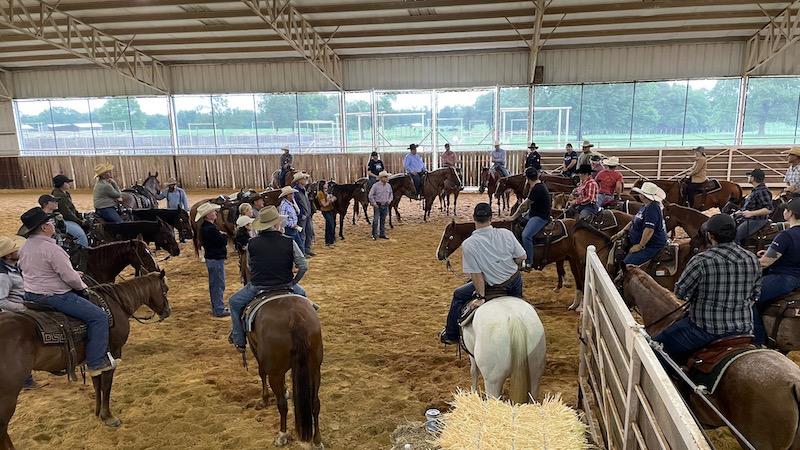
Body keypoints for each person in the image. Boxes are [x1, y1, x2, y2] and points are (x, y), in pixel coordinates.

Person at [17, 207, 116, 377]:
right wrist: (81, 286)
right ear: (44, 227)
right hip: (54, 296)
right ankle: (96, 361)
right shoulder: (53, 249)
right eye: (50, 222)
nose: (53, 225)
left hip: (30, 294)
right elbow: (69, 278)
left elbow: (30, 270)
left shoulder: (25, 247)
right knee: (98, 316)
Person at [652, 214, 762, 364]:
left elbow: (681, 293)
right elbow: (755, 294)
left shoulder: (701, 260)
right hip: (744, 329)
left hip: (705, 330)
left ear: (710, 236)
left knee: (654, 347)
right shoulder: (752, 258)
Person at [439, 203, 526, 345]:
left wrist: (480, 297)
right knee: (520, 301)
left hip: (492, 285)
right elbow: (522, 257)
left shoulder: (469, 244)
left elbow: (477, 274)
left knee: (458, 295)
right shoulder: (506, 233)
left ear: (474, 218)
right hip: (514, 281)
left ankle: (451, 335)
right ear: (491, 219)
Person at [227, 206, 308, 353]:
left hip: (259, 286)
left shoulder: (251, 243)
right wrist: (294, 282)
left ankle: (239, 339)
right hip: (286, 284)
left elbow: (249, 266)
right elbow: (303, 265)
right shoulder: (289, 242)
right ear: (276, 224)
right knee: (303, 297)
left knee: (234, 302)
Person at [0, 235, 46, 390]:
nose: (18, 249)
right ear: (8, 255)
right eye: (14, 248)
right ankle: (27, 380)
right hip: (14, 313)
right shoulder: (4, 276)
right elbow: (1, 301)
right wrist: (24, 309)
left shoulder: (13, 267)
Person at [753, 198, 800, 345]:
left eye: (785, 209)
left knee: (746, 295)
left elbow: (766, 262)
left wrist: (748, 262)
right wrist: (769, 253)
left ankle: (757, 339)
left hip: (785, 278)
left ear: (790, 213)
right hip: (797, 276)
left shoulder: (785, 235)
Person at [612, 182, 669, 265]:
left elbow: (649, 230)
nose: (639, 194)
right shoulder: (646, 206)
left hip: (651, 245)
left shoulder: (652, 209)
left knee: (627, 264)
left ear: (644, 196)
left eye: (640, 193)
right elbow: (634, 221)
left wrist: (640, 246)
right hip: (645, 243)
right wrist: (623, 231)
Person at [511, 167, 551, 271]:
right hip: (534, 214)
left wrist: (514, 216)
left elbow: (525, 205)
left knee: (526, 235)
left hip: (540, 217)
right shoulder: (539, 185)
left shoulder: (537, 188)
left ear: (527, 179)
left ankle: (529, 262)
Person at [195, 202, 229, 318]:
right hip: (215, 259)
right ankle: (219, 309)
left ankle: (217, 306)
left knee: (216, 284)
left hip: (212, 258)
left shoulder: (206, 228)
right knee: (218, 284)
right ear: (208, 215)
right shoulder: (210, 229)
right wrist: (223, 235)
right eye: (213, 212)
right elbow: (223, 241)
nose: (215, 213)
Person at [734, 169, 774, 245]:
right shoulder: (756, 190)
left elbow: (769, 209)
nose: (748, 178)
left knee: (735, 236)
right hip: (750, 218)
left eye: (749, 176)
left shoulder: (762, 191)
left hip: (757, 220)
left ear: (753, 178)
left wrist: (751, 213)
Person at [51, 174, 89, 248]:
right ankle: (83, 253)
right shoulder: (59, 195)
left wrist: (80, 217)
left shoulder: (65, 193)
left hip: (69, 218)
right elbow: (66, 213)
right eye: (67, 182)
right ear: (62, 184)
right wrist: (80, 221)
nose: (69, 184)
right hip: (64, 220)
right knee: (81, 235)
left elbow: (73, 209)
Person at [292, 172, 315, 257]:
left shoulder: (303, 190)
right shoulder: (296, 191)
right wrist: (301, 214)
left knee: (309, 232)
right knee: (302, 234)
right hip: (303, 216)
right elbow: (296, 204)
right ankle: (302, 252)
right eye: (303, 178)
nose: (305, 180)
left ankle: (307, 249)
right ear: (298, 181)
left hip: (307, 214)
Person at [368, 171, 393, 241]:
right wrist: (374, 204)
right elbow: (370, 195)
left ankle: (382, 234)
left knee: (383, 220)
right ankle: (374, 234)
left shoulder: (388, 186)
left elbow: (391, 195)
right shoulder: (375, 186)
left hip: (385, 205)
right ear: (382, 178)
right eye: (386, 177)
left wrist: (389, 200)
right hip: (378, 205)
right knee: (376, 220)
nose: (387, 178)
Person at [278, 186, 304, 251]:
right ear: (287, 195)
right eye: (291, 193)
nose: (293, 195)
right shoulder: (284, 205)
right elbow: (283, 219)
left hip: (293, 228)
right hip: (289, 229)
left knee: (299, 246)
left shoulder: (289, 204)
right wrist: (292, 225)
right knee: (295, 247)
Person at [317, 180, 337, 246]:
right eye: (325, 184)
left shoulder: (325, 192)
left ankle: (329, 241)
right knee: (331, 225)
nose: (327, 184)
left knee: (329, 225)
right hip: (325, 210)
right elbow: (324, 204)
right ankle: (329, 240)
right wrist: (330, 200)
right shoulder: (320, 193)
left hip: (329, 210)